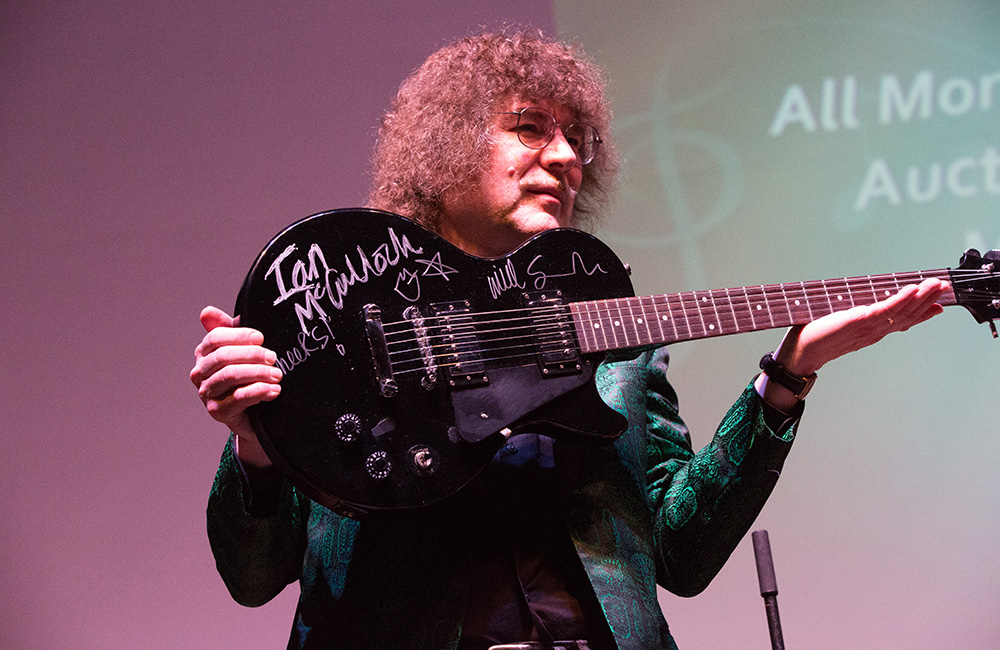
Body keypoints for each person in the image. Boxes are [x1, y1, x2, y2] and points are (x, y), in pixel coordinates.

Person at [190, 31, 948, 650]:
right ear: (446, 144)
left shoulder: (618, 350)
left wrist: (789, 376)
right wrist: (255, 442)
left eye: (578, 141)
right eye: (529, 127)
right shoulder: (341, 322)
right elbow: (254, 577)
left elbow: (679, 557)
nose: (563, 157)